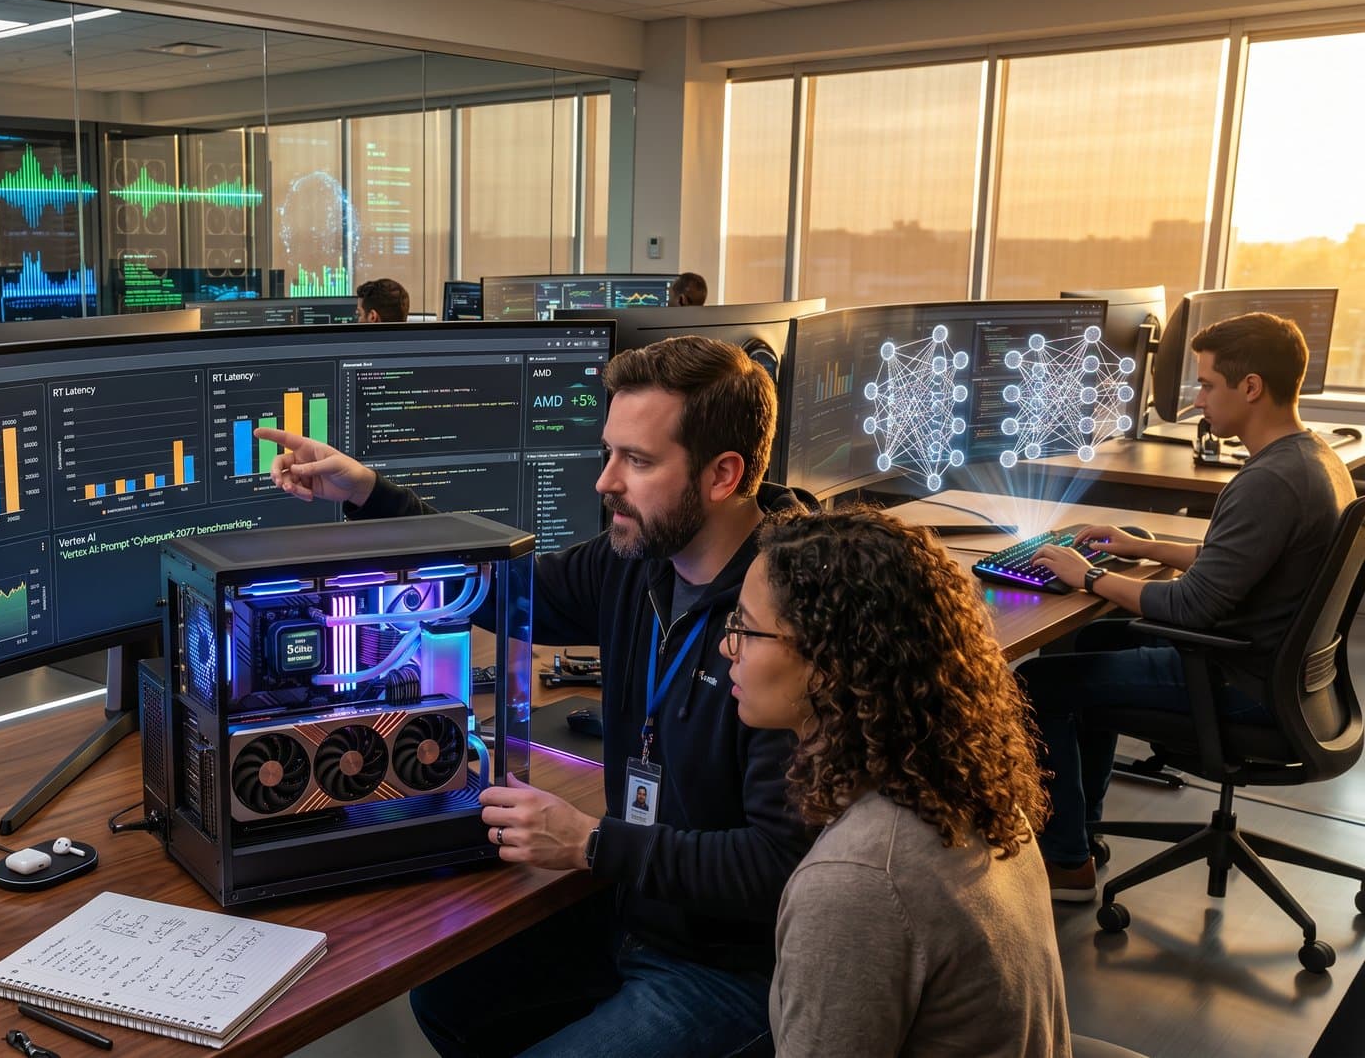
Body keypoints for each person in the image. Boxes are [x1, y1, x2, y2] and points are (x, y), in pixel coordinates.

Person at [254, 335, 818, 1057]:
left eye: (637, 461)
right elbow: (502, 589)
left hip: (729, 965)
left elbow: (781, 866)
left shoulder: (787, 619)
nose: (604, 481)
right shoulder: (640, 559)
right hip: (635, 908)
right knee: (448, 996)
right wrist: (369, 493)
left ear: (722, 474)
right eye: (608, 452)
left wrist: (588, 842)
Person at [1026, 311, 1355, 900]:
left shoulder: (1267, 482)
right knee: (1094, 642)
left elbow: (1193, 607)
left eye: (1207, 384)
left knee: (1033, 684)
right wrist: (1140, 546)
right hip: (1287, 678)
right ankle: (1085, 827)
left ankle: (1066, 860)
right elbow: (1239, 559)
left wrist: (1090, 576)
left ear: (1250, 387)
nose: (1198, 399)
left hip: (1238, 682)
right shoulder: (1314, 460)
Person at [731, 506, 1070, 1057]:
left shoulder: (855, 881)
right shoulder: (969, 789)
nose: (729, 648)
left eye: (745, 628)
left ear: (828, 664)